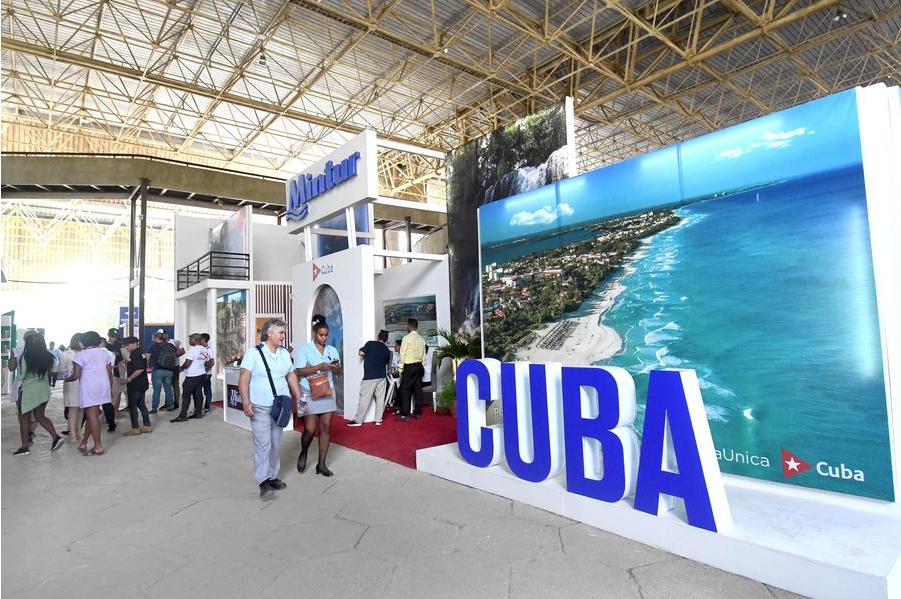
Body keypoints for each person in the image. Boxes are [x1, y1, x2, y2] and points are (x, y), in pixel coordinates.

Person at [238, 318, 301, 500]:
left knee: (275, 442)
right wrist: (245, 401)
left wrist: (298, 396)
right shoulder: (254, 353)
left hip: (280, 406)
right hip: (260, 406)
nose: (283, 336)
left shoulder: (283, 354)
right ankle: (262, 480)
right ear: (269, 333)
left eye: (283, 332)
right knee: (262, 443)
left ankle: (272, 476)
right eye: (280, 332)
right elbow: (244, 378)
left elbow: (291, 376)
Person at [294, 315, 341, 476]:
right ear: (315, 333)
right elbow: (299, 371)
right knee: (310, 429)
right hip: (308, 391)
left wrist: (335, 368)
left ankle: (321, 464)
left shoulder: (332, 350)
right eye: (321, 334)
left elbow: (338, 371)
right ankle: (304, 451)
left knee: (326, 427)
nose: (324, 337)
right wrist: (319, 366)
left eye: (326, 334)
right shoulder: (305, 349)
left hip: (326, 391)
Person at [11, 333, 64, 455]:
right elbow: (54, 372)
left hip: (29, 390)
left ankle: (24, 447)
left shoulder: (25, 356)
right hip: (44, 390)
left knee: (24, 419)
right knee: (40, 416)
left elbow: (21, 376)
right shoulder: (50, 357)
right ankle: (56, 437)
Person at [67, 330, 113, 455]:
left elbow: (76, 375)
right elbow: (109, 372)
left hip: (90, 386)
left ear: (83, 342)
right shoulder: (104, 354)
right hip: (103, 385)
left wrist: (67, 378)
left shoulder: (81, 355)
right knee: (92, 415)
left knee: (91, 415)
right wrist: (111, 388)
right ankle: (84, 442)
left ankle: (98, 446)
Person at [347, 329, 392, 427]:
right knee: (380, 399)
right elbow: (386, 364)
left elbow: (361, 353)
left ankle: (358, 420)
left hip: (370, 376)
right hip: (382, 376)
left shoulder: (370, 344)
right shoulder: (387, 351)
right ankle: (378, 420)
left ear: (378, 337)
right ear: (386, 340)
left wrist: (368, 356)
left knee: (364, 398)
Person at [170, 333, 209, 423]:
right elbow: (206, 362)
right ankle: (198, 413)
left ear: (195, 340)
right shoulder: (204, 349)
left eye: (190, 339)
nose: (189, 341)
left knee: (186, 396)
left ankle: (183, 416)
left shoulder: (193, 350)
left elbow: (188, 363)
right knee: (198, 394)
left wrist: (181, 368)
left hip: (192, 376)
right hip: (202, 374)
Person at [120, 336, 152, 436]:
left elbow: (140, 369)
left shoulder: (136, 354)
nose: (126, 347)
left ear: (134, 344)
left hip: (136, 384)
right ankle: (147, 425)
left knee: (133, 406)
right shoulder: (139, 353)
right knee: (141, 404)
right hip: (142, 383)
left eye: (128, 345)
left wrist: (129, 379)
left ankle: (135, 428)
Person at [398, 318, 426, 421]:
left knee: (405, 390)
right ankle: (418, 413)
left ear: (409, 326)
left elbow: (402, 354)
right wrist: (421, 365)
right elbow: (424, 356)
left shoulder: (406, 338)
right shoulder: (422, 339)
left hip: (409, 367)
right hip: (419, 366)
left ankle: (405, 414)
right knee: (418, 390)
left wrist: (400, 368)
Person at [59, 333, 83, 444]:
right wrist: (70, 375)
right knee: (73, 409)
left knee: (82, 409)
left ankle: (79, 431)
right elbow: (62, 370)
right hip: (72, 384)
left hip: (84, 384)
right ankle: (72, 432)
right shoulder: (66, 354)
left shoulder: (85, 353)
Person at [147, 330, 175, 412]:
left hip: (157, 370)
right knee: (168, 389)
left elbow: (148, 358)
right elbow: (176, 354)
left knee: (157, 390)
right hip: (169, 370)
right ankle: (170, 406)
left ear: (156, 338)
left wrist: (147, 365)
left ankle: (154, 408)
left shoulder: (153, 346)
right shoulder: (170, 345)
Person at [106, 328, 126, 417]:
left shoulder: (118, 346)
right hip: (106, 372)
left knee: (117, 392)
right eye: (112, 336)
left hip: (117, 372)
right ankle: (108, 412)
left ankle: (115, 411)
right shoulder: (104, 346)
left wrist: (126, 371)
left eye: (115, 337)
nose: (114, 338)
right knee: (109, 393)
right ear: (108, 335)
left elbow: (121, 361)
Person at [200, 332, 215, 414]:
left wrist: (205, 371)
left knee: (207, 391)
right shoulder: (200, 349)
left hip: (206, 374)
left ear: (204, 340)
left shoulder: (209, 350)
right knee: (198, 391)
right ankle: (198, 407)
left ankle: (207, 407)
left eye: (200, 339)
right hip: (199, 374)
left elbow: (212, 363)